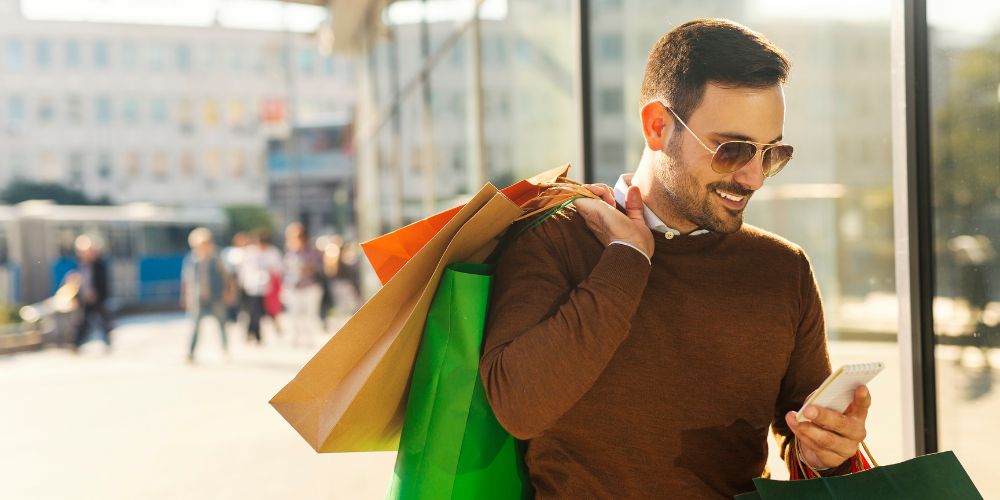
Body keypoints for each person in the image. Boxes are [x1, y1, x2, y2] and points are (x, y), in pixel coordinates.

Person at [480, 19, 872, 498]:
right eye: (732, 149)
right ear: (657, 127)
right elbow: (518, 406)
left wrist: (825, 454)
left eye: (771, 153)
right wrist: (628, 257)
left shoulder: (782, 269)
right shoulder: (554, 240)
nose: (753, 177)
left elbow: (803, 437)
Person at [181, 227, 229, 363]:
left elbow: (226, 276)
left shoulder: (216, 258)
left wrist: (227, 292)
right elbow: (186, 280)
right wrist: (185, 297)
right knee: (195, 326)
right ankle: (190, 353)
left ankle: (225, 348)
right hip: (198, 298)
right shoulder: (191, 260)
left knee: (221, 324)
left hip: (216, 296)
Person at [281, 222, 324, 347]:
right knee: (294, 313)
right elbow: (285, 270)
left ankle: (310, 338)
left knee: (310, 313)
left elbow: (320, 267)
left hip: (311, 286)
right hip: (294, 286)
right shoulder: (289, 251)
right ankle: (295, 337)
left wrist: (309, 269)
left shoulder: (312, 251)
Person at [238, 230, 282, 344]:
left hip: (267, 288)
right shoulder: (250, 252)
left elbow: (277, 270)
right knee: (254, 311)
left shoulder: (272, 253)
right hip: (252, 286)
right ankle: (256, 334)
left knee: (265, 310)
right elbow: (243, 269)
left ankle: (252, 332)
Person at [71, 234, 113, 352]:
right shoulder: (79, 265)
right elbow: (76, 281)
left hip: (98, 298)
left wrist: (97, 294)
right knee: (83, 322)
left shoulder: (100, 265)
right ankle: (76, 344)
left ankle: (107, 341)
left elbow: (104, 283)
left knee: (103, 321)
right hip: (85, 299)